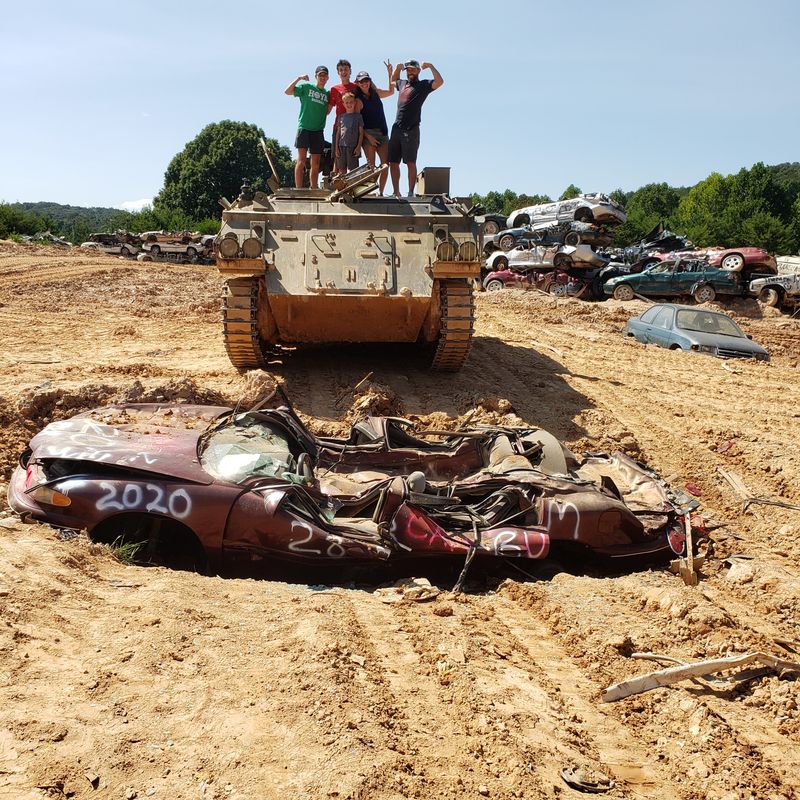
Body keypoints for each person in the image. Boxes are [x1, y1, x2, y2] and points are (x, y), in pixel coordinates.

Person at [388, 60, 443, 197]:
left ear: (418, 70)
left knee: (410, 162)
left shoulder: (423, 85)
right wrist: (397, 69)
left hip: (411, 129)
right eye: (408, 70)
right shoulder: (402, 84)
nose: (410, 72)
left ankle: (410, 192)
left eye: (413, 69)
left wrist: (430, 66)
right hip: (397, 128)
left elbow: (439, 82)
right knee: (393, 162)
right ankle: (396, 192)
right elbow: (392, 81)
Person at [285, 66, 330, 188]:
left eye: (324, 75)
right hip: (304, 128)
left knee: (315, 163)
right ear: (316, 76)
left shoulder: (327, 94)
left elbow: (328, 111)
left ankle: (313, 188)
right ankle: (299, 189)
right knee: (301, 160)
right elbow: (288, 91)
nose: (322, 77)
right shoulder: (306, 87)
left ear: (327, 78)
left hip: (318, 130)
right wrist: (298, 78)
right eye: (320, 75)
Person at [353, 62, 394, 195]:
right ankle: (367, 192)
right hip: (368, 134)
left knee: (385, 165)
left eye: (366, 80)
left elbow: (391, 91)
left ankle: (381, 193)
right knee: (372, 167)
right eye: (361, 81)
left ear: (370, 81)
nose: (364, 83)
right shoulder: (358, 101)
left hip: (383, 133)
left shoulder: (376, 93)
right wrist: (368, 137)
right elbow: (357, 123)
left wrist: (390, 74)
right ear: (358, 84)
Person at [333, 93, 364, 175]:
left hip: (353, 147)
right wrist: (336, 148)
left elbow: (361, 133)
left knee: (353, 171)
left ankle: (352, 184)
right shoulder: (341, 117)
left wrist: (358, 147)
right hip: (341, 146)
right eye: (346, 102)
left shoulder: (358, 116)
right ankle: (342, 184)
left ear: (354, 103)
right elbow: (338, 133)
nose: (349, 104)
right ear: (343, 104)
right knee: (341, 169)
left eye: (351, 102)